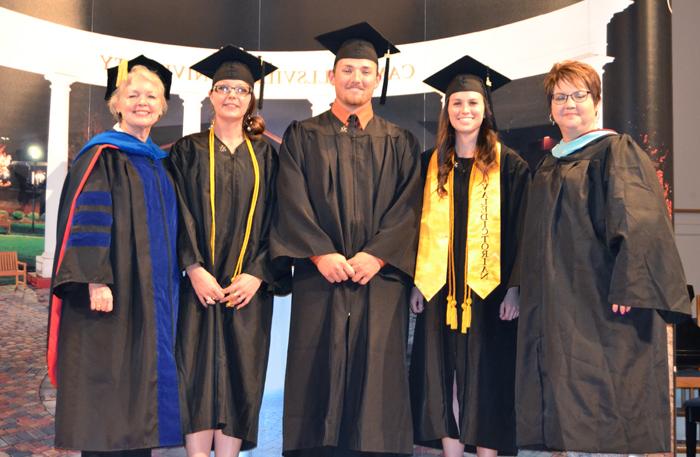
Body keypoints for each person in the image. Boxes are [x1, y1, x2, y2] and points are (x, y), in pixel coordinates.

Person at [516, 60, 691, 455]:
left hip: (604, 303)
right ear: (550, 109)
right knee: (567, 402)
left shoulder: (616, 151)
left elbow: (639, 219)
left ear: (596, 101)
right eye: (560, 96)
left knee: (605, 402)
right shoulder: (548, 163)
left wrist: (632, 284)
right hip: (560, 303)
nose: (569, 103)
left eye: (579, 94)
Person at [269, 22, 422, 457]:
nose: (356, 78)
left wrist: (377, 255)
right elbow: (291, 199)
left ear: (377, 78)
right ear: (331, 76)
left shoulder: (401, 142)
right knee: (317, 368)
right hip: (321, 277)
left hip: (380, 278)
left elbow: (410, 206)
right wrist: (320, 253)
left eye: (365, 71)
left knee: (378, 374)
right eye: (347, 70)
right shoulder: (303, 136)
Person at [47, 55, 181, 456]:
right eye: (133, 94)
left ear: (162, 107)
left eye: (151, 96)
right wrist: (95, 279)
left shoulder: (158, 162)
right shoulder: (103, 155)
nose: (143, 102)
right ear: (117, 103)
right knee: (108, 390)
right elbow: (86, 220)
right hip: (111, 295)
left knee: (139, 398)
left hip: (151, 297)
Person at [409, 56, 529, 457]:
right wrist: (416, 282)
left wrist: (514, 288)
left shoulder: (509, 166)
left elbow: (521, 230)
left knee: (485, 377)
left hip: (489, 293)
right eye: (457, 103)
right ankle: (451, 453)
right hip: (438, 291)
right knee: (442, 378)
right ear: (447, 109)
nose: (465, 110)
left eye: (473, 103)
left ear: (486, 109)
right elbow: (413, 227)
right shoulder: (429, 163)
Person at [168, 45, 283, 457]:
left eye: (240, 89)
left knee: (241, 374)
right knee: (195, 373)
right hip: (197, 287)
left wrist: (257, 273)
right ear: (211, 96)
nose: (231, 95)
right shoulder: (186, 151)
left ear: (251, 97)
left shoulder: (269, 155)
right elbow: (176, 214)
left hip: (248, 290)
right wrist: (193, 267)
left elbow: (281, 219)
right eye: (223, 88)